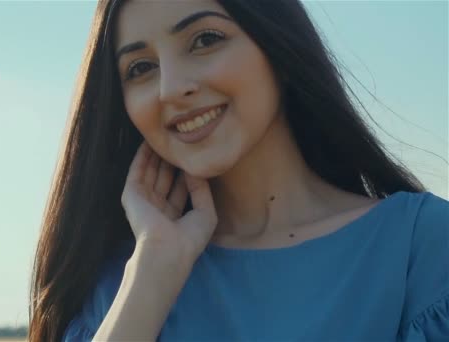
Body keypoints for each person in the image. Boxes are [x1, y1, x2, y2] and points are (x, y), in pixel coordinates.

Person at [27, 0, 449, 341]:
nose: (171, 88)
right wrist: (153, 269)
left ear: (278, 48)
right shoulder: (116, 288)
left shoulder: (421, 248)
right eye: (140, 68)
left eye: (205, 40)